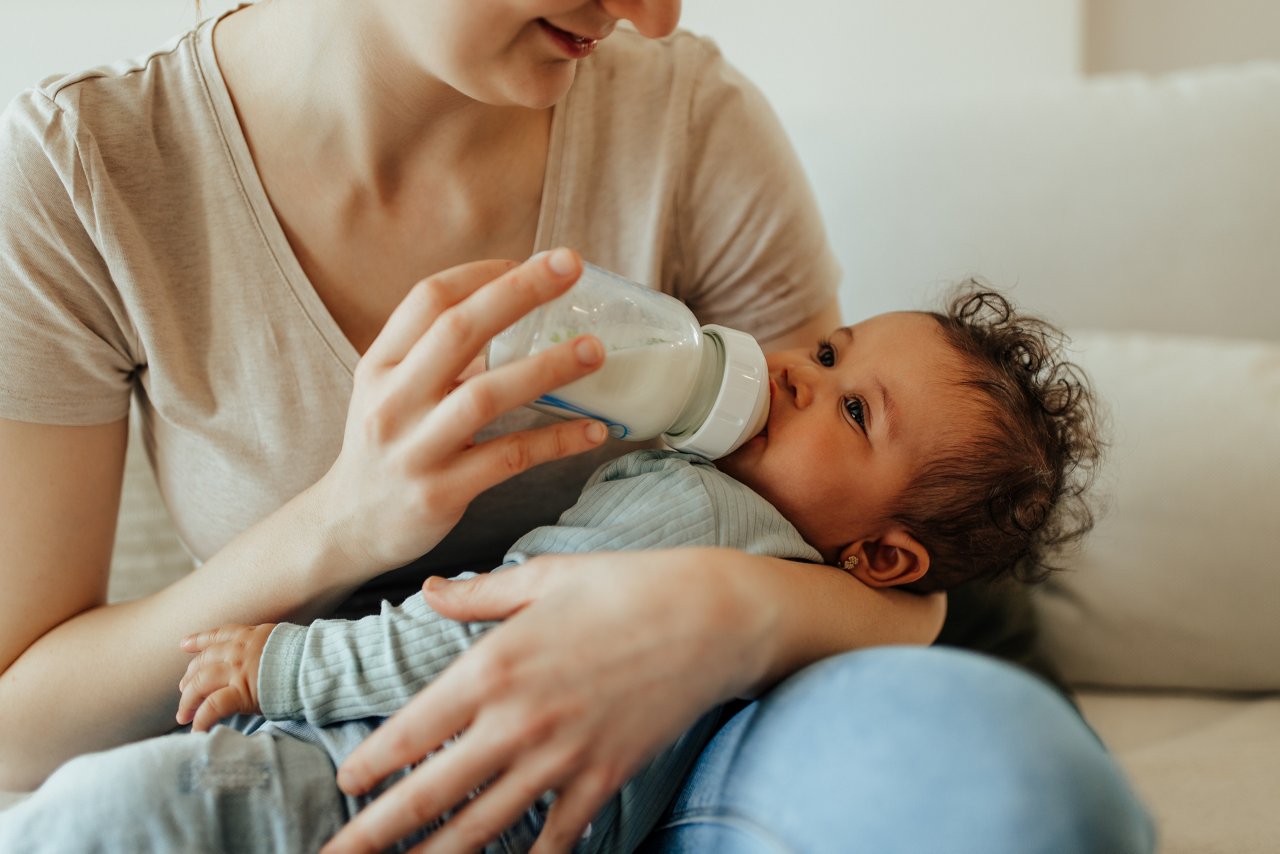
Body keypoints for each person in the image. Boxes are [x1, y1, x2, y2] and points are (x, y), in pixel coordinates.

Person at [0, 1, 1153, 851]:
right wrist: (338, 525)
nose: (651, 17)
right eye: (827, 361)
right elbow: (18, 730)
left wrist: (720, 607)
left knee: (1027, 792)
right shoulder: (85, 172)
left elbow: (894, 576)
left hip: (692, 754)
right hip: (342, 751)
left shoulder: (684, 119)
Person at [3, 286, 1119, 853]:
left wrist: (282, 664)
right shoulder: (731, 515)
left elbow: (474, 643)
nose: (794, 371)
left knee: (123, 808)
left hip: (396, 774)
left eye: (852, 407)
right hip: (505, 808)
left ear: (880, 552)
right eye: (826, 352)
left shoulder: (696, 507)